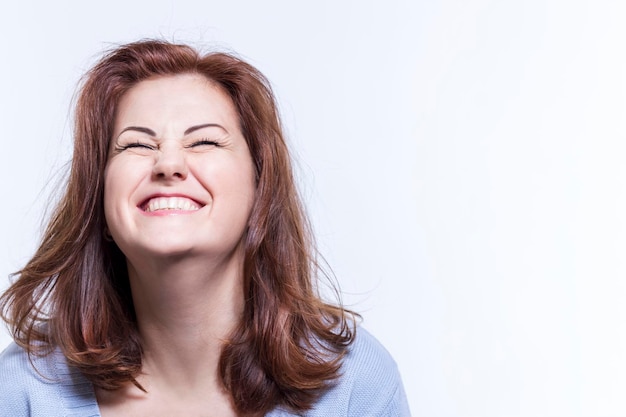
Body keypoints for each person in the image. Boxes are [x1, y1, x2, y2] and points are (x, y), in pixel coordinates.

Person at [0, 40, 410, 416]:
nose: (168, 164)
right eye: (137, 145)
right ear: (101, 202)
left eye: (204, 142)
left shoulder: (356, 383)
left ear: (259, 191)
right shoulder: (22, 388)